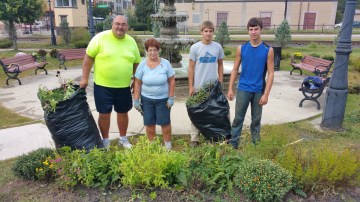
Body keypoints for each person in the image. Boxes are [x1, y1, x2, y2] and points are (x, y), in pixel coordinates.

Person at [79, 15, 141, 149]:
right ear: (112, 24)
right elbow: (88, 59)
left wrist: (136, 81)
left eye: (123, 24)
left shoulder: (131, 42)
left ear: (127, 27)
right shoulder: (100, 38)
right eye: (117, 24)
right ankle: (105, 140)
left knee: (123, 113)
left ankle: (123, 139)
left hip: (123, 86)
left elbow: (136, 64)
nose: (120, 27)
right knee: (104, 114)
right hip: (103, 86)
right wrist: (84, 78)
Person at [227, 17, 274, 149]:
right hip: (243, 89)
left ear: (261, 30)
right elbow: (235, 69)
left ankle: (256, 145)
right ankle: (234, 144)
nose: (253, 32)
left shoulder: (267, 50)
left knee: (256, 120)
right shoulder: (241, 48)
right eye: (251, 29)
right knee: (238, 119)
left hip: (259, 90)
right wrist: (230, 88)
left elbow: (271, 73)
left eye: (256, 29)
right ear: (248, 31)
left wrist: (266, 94)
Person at [133, 38, 175, 150]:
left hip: (163, 99)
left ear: (158, 50)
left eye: (155, 50)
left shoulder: (165, 64)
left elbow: (171, 81)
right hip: (146, 100)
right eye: (150, 50)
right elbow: (137, 82)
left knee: (165, 122)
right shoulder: (142, 65)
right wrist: (136, 100)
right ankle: (152, 145)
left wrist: (171, 98)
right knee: (149, 123)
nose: (153, 53)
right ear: (146, 51)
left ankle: (167, 144)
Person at [188, 20, 225, 147]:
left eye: (210, 31)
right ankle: (194, 138)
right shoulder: (195, 48)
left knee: (211, 112)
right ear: (201, 32)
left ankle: (211, 136)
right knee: (196, 112)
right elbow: (191, 68)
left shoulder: (217, 47)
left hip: (212, 87)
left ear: (213, 32)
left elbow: (220, 64)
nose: (208, 34)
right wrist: (191, 86)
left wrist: (220, 81)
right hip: (198, 87)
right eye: (205, 31)